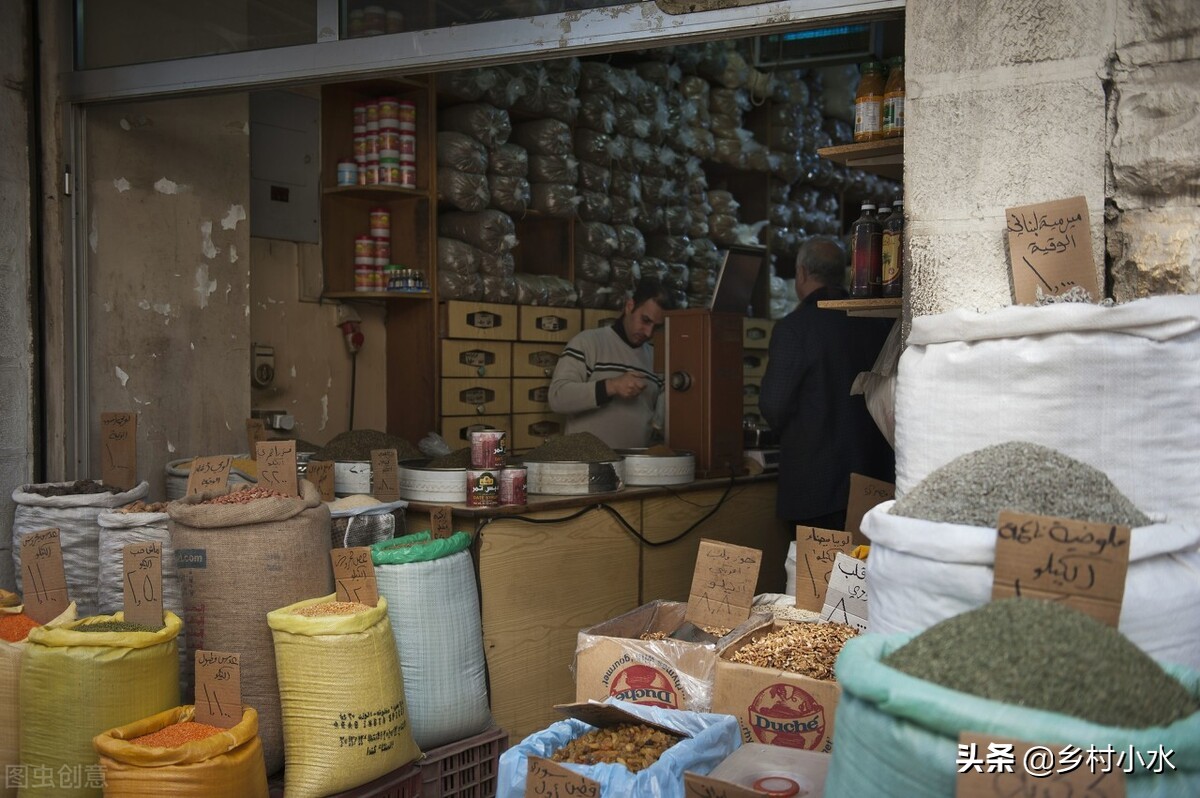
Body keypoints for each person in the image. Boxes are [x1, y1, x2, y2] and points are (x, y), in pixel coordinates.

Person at [759, 236, 894, 530]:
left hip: (815, 488)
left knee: (814, 574)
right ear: (842, 274)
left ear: (802, 273)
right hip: (874, 482)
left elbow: (773, 405)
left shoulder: (795, 329)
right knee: (863, 570)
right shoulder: (877, 322)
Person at [548, 277, 670, 449]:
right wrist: (611, 386)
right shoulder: (587, 343)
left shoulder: (657, 359)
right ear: (629, 307)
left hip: (637, 469)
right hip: (587, 467)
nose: (648, 332)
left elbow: (660, 422)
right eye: (645, 320)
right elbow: (557, 398)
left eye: (656, 327)